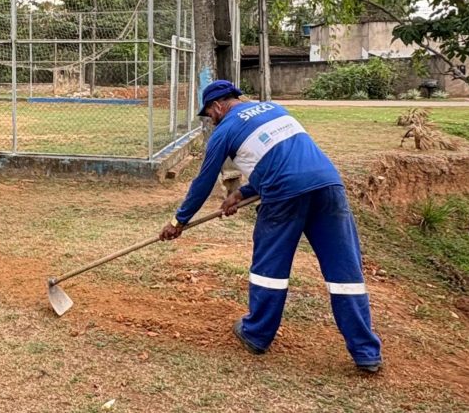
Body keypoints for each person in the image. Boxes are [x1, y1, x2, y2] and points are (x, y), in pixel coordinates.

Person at [160, 80, 383, 374]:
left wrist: (179, 221)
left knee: (269, 269)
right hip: (329, 186)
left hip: (284, 198)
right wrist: (242, 193)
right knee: (345, 273)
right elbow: (286, 161)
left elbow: (202, 183)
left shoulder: (224, 130)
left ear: (216, 107)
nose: (211, 119)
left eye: (209, 114)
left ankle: (257, 333)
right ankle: (366, 352)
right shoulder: (275, 109)